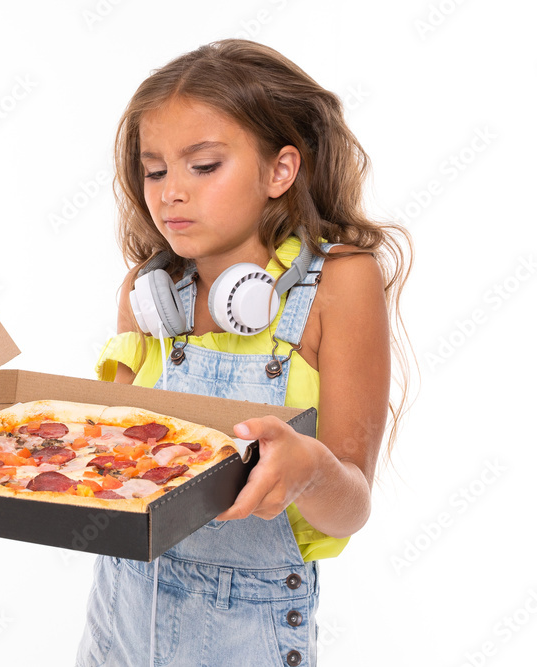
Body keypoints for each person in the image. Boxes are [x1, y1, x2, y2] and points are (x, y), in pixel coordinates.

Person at [75, 39, 412, 667]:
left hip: (244, 632)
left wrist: (308, 469)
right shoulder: (150, 294)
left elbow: (351, 508)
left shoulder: (340, 285)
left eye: (203, 167)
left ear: (280, 171)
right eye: (155, 170)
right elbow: (111, 470)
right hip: (120, 615)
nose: (170, 192)